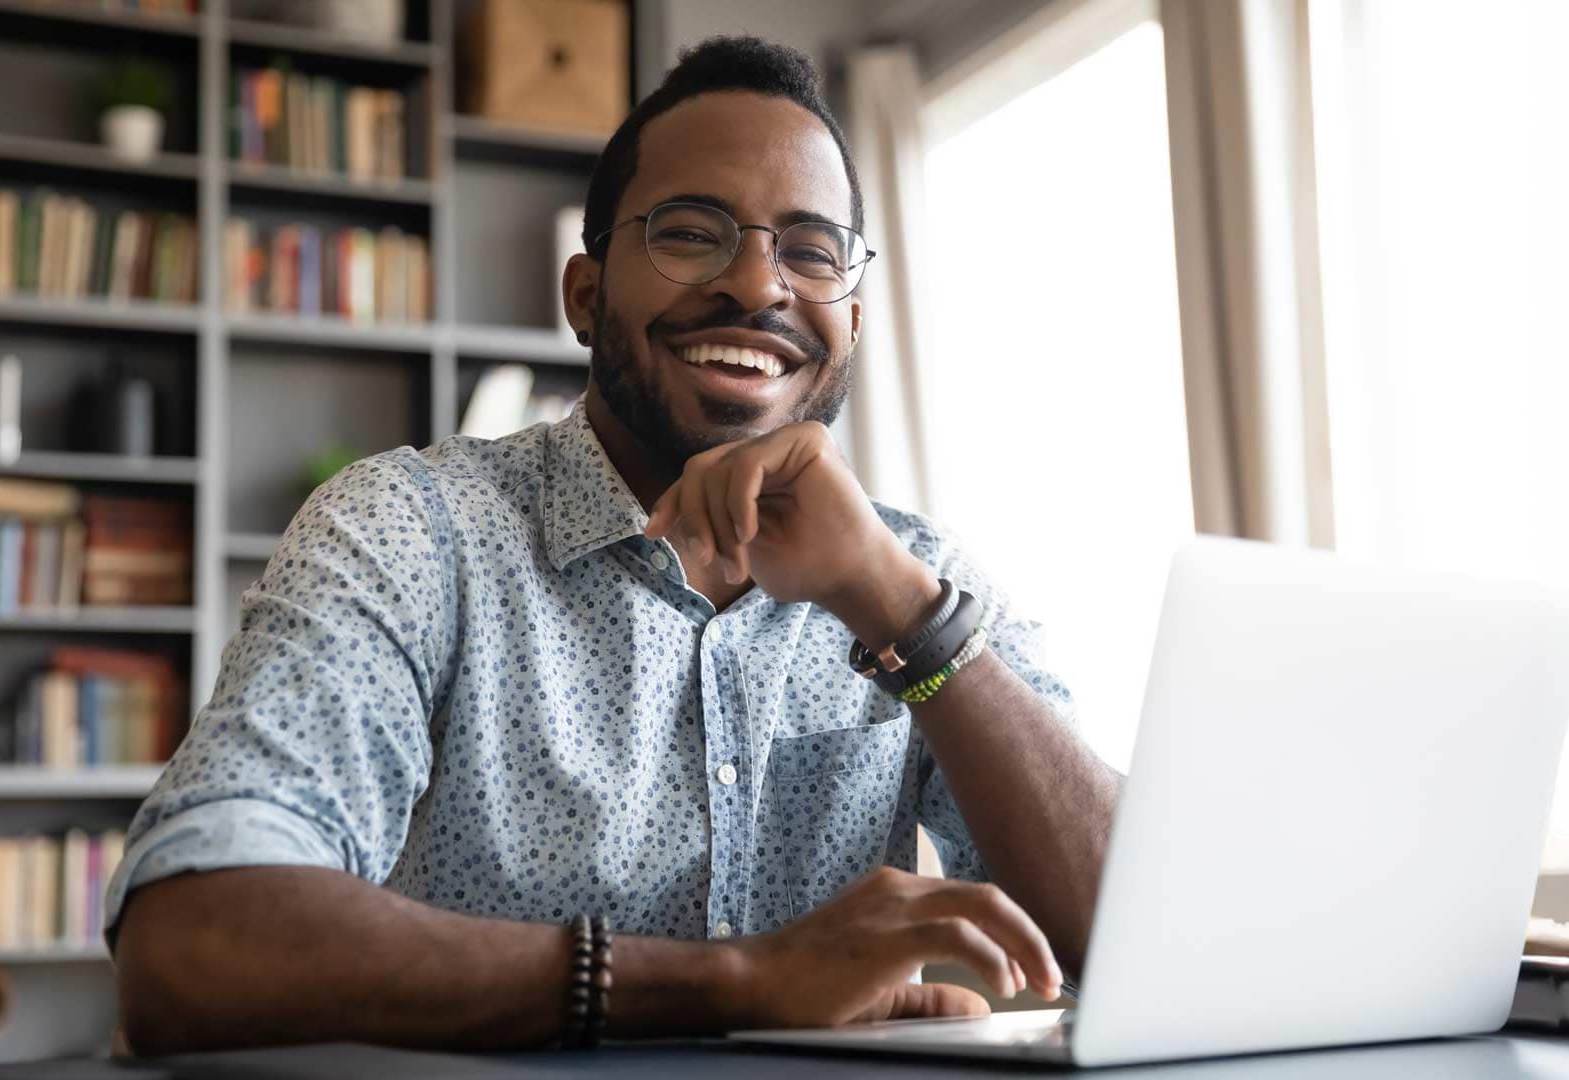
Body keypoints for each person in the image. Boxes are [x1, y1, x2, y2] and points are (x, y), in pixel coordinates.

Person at [111, 35, 1120, 1053]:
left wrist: (904, 617)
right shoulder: (412, 532)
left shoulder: (917, 580)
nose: (758, 285)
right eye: (691, 233)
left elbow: (1135, 929)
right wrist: (739, 983)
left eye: (811, 250)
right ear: (586, 296)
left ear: (851, 320)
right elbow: (195, 939)